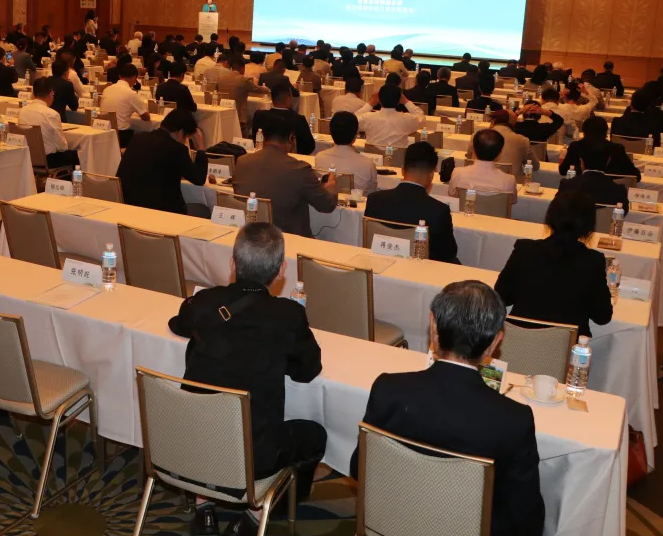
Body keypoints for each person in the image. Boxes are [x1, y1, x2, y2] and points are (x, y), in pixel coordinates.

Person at [351, 280, 544, 536]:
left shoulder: (388, 389)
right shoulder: (514, 419)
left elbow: (359, 469)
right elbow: (526, 519)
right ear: (494, 342)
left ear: (433, 327)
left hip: (390, 525)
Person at [169, 223, 325, 536]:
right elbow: (308, 369)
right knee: (314, 436)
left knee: (212, 421)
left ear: (232, 263)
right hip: (254, 459)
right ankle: (254, 515)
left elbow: (178, 324)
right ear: (281, 271)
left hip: (192, 445)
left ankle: (204, 507)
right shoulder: (288, 315)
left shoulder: (205, 302)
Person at [497, 190, 612, 340]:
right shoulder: (593, 261)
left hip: (518, 344)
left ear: (551, 218)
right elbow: (602, 317)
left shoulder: (524, 250)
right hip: (566, 349)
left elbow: (500, 297)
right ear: (588, 226)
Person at [234, 114, 337, 238]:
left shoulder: (241, 162)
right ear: (291, 138)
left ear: (263, 137)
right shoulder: (299, 169)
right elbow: (327, 205)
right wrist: (331, 185)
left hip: (249, 236)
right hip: (288, 240)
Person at [365, 141, 459, 263]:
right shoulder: (439, 211)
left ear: (402, 170)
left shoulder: (374, 200)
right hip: (419, 270)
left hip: (380, 265)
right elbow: (449, 252)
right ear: (431, 175)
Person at [116, 108, 206, 214]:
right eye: (186, 137)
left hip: (129, 208)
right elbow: (199, 179)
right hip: (163, 213)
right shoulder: (177, 149)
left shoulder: (138, 138)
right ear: (181, 132)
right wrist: (201, 149)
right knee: (203, 210)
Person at [18, 77, 80, 169]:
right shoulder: (52, 114)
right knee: (75, 155)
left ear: (33, 94)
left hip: (27, 157)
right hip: (49, 160)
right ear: (51, 94)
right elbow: (62, 147)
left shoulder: (22, 111)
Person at [315, 111, 379, 195]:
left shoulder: (319, 157)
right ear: (355, 135)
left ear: (330, 132)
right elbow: (371, 193)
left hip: (328, 202)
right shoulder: (368, 164)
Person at [557, 142, 630, 214]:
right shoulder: (619, 192)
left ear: (581, 162)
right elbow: (621, 216)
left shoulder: (567, 186)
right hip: (604, 222)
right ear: (608, 161)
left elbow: (556, 210)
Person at [448, 129, 518, 203]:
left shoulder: (458, 173)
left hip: (465, 210)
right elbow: (512, 201)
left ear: (474, 150)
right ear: (499, 153)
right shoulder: (509, 180)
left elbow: (451, 194)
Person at [559, 116, 639, 180]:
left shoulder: (575, 146)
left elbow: (562, 170)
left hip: (579, 190)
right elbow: (636, 176)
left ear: (584, 131)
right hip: (608, 192)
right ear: (606, 131)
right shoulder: (616, 149)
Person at [251, 83, 315, 155]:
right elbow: (309, 146)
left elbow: (255, 140)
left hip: (263, 156)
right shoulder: (298, 120)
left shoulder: (259, 116)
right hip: (290, 158)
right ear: (288, 98)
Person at [473, 110, 537, 181]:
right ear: (513, 124)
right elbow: (534, 166)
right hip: (513, 183)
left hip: (476, 180)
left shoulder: (476, 136)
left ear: (493, 122)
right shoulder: (522, 140)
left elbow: (469, 159)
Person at [354, 84, 426, 148]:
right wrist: (406, 101)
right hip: (398, 158)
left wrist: (370, 104)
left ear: (379, 100)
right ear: (399, 101)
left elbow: (352, 120)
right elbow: (422, 118)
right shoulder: (407, 118)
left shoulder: (368, 117)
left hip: (373, 157)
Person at [100, 63, 150, 131]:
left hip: (104, 130)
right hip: (121, 133)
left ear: (119, 76)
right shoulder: (131, 93)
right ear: (134, 77)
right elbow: (146, 118)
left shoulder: (106, 89)